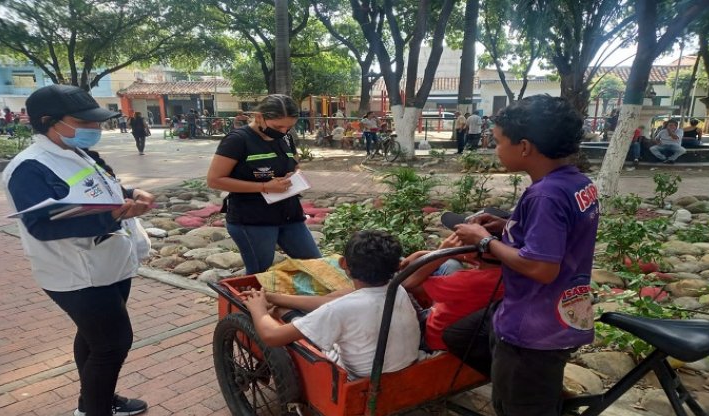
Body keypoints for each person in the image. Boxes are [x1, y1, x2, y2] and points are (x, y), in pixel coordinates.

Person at [1, 85, 154, 416]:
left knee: (92, 337)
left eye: (97, 122)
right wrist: (112, 216)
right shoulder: (29, 168)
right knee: (113, 345)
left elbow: (102, 187)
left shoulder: (79, 153)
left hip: (110, 263)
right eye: (84, 122)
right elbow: (41, 226)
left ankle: (91, 401)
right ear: (48, 122)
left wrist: (131, 193)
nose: (94, 129)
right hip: (75, 274)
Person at [450, 94, 599, 416]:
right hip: (554, 315)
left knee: (520, 415)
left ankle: (529, 400)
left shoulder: (545, 194)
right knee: (461, 336)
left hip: (532, 329)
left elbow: (540, 267)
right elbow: (561, 233)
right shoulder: (577, 183)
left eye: (499, 142)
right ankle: (536, 393)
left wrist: (484, 240)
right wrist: (507, 226)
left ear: (525, 147)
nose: (496, 149)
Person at [242, 230, 420, 379]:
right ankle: (278, 301)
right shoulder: (397, 289)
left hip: (361, 375)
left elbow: (272, 336)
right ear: (396, 266)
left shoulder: (342, 308)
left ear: (343, 264)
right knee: (339, 297)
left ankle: (279, 316)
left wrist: (259, 310)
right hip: (405, 362)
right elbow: (334, 303)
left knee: (280, 312)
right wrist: (273, 297)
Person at [207, 94, 321, 274]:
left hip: (289, 215)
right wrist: (263, 187)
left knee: (316, 266)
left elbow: (295, 163)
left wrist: (294, 175)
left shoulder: (285, 138)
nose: (283, 131)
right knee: (260, 274)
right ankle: (250, 302)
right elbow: (214, 180)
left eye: (289, 126)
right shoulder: (238, 140)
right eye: (278, 126)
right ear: (259, 117)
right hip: (253, 219)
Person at [399, 234, 503, 352]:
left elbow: (407, 283)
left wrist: (441, 252)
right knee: (450, 264)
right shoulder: (505, 269)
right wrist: (421, 254)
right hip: (460, 320)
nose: (461, 242)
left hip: (434, 339)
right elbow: (463, 257)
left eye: (464, 240)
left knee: (398, 268)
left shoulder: (468, 281)